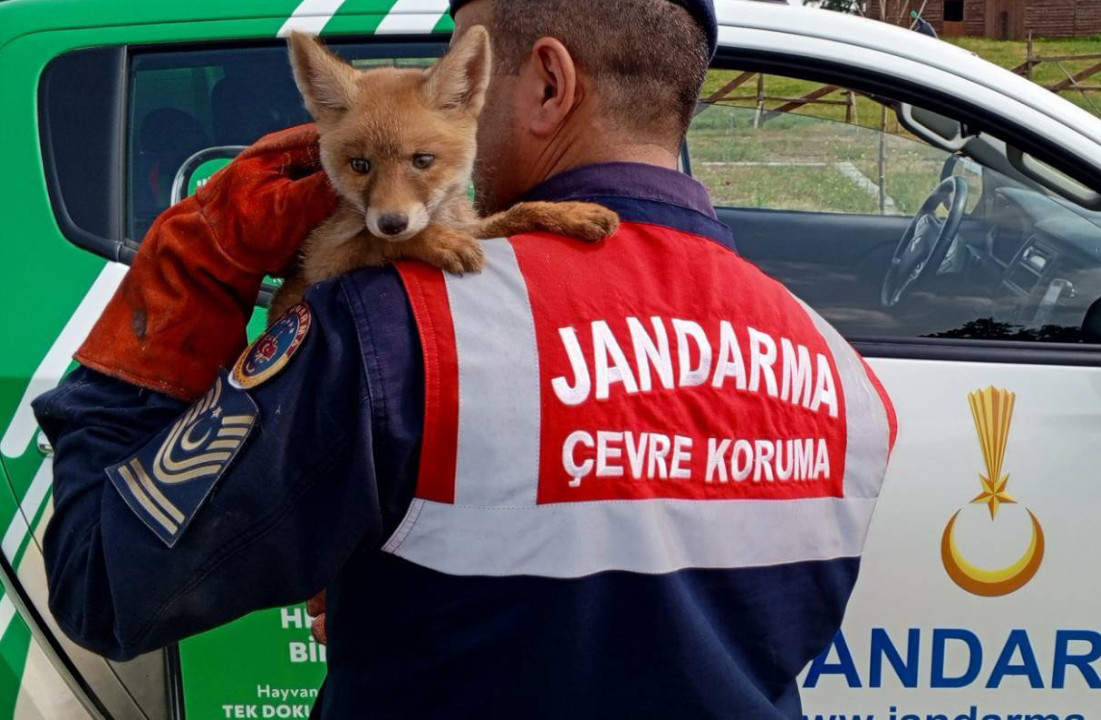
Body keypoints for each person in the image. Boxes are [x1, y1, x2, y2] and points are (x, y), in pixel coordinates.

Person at [34, 0, 896, 717]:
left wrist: (171, 296)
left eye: (475, 82)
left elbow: (103, 583)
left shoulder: (393, 329)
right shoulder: (843, 375)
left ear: (550, 85)